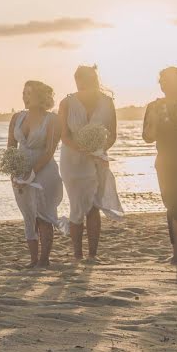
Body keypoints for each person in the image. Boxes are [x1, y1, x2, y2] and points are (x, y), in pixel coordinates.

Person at [58, 65, 124, 261]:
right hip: (73, 161)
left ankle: (93, 254)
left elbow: (112, 134)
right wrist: (84, 150)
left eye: (86, 79)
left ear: (93, 79)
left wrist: (99, 149)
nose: (81, 83)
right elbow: (64, 136)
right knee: (77, 205)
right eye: (79, 80)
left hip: (98, 158)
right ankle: (77, 254)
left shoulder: (107, 102)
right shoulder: (67, 103)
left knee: (94, 206)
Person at [7, 81, 66, 268]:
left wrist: (32, 174)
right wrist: (14, 172)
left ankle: (44, 259)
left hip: (44, 171)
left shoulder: (52, 120)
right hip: (21, 170)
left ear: (40, 96)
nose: (24, 96)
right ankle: (33, 259)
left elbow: (49, 151)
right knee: (29, 215)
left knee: (44, 215)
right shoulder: (17, 117)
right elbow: (10, 148)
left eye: (29, 93)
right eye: (23, 92)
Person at [143, 67, 177, 264]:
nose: (163, 84)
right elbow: (147, 138)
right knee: (173, 205)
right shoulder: (154, 107)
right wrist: (155, 122)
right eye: (161, 80)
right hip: (166, 160)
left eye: (167, 80)